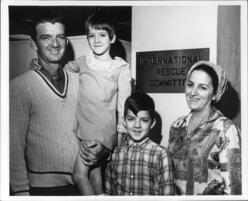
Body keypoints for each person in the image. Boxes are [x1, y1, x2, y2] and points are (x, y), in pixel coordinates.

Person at [9, 11, 81, 195]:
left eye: (60, 37)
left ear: (66, 41)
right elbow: (13, 146)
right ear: (34, 44)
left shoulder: (80, 81)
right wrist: (20, 191)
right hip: (42, 189)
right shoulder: (19, 87)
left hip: (83, 185)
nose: (55, 44)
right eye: (46, 37)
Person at [65, 11, 131, 195]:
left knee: (78, 175)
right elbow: (63, 71)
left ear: (112, 38)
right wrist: (37, 66)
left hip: (100, 131)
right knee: (95, 177)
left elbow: (123, 106)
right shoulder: (83, 62)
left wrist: (118, 138)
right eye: (91, 35)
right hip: (83, 128)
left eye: (102, 35)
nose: (96, 40)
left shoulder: (120, 68)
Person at [168, 61, 241, 195]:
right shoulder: (176, 125)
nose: (193, 93)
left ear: (214, 94)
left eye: (202, 87)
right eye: (190, 85)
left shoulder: (225, 128)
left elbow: (234, 186)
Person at [105, 92, 175, 195]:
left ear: (152, 124)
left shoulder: (162, 155)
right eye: (131, 119)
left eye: (144, 120)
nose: (137, 125)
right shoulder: (116, 153)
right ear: (124, 121)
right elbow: (109, 193)